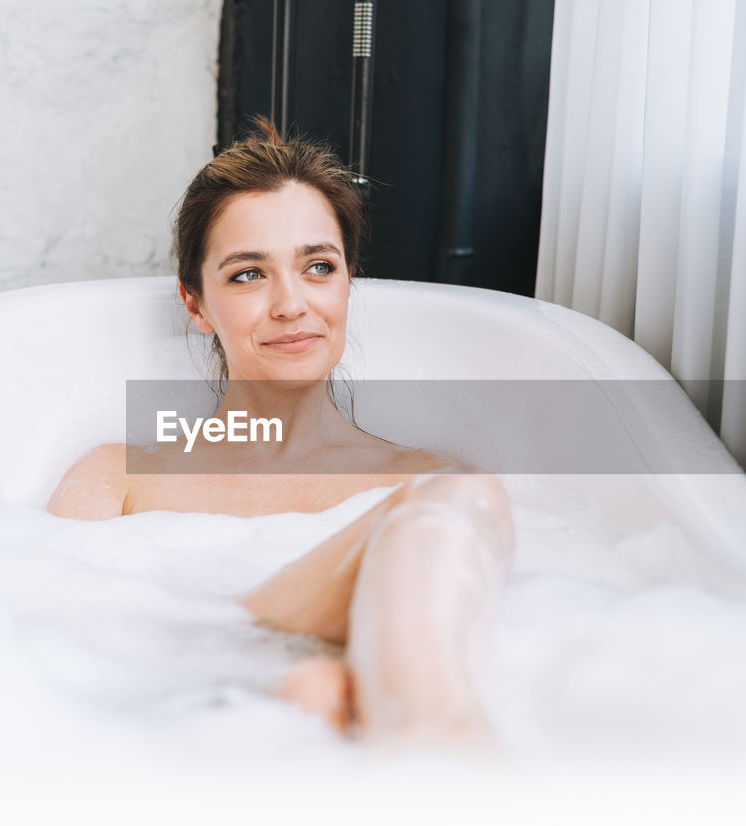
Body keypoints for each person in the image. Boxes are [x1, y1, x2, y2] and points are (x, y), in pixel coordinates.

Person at [48, 118, 514, 746]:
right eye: (248, 274)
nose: (291, 304)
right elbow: (57, 654)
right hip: (174, 720)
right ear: (195, 303)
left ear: (349, 281)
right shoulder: (119, 479)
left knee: (327, 676)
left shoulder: (423, 479)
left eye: (319, 266)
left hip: (290, 723)